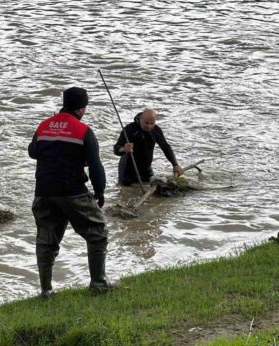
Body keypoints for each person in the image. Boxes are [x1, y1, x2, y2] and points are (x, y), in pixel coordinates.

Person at [28, 87, 115, 298]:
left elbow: (32, 152)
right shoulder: (83, 131)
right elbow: (95, 166)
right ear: (82, 107)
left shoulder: (44, 126)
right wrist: (100, 191)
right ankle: (98, 282)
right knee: (97, 232)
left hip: (44, 191)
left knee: (46, 239)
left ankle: (46, 291)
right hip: (73, 191)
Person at [113, 108, 184, 186]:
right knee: (127, 193)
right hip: (127, 171)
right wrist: (124, 149)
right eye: (146, 123)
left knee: (156, 188)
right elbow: (116, 149)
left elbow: (165, 147)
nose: (149, 126)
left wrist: (175, 164)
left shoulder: (156, 130)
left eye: (152, 123)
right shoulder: (129, 129)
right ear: (140, 120)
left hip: (146, 169)